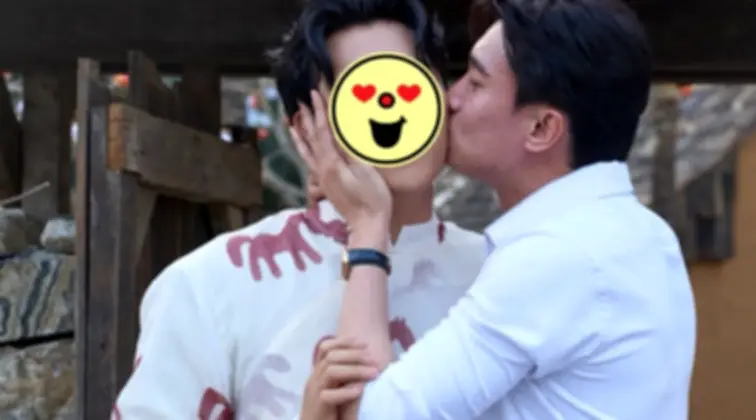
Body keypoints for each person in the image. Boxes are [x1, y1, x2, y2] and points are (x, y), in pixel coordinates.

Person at [294, 0, 697, 419]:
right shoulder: (640, 235)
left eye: (475, 82)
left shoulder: (556, 258)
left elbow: (371, 414)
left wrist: (366, 227)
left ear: (541, 128)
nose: (449, 99)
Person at [112, 0, 487, 418]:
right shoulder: (208, 287)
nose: (391, 105)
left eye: (410, 84)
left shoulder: (499, 273)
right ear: (303, 128)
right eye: (361, 91)